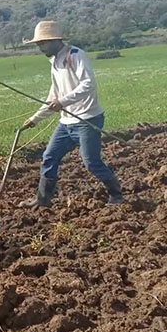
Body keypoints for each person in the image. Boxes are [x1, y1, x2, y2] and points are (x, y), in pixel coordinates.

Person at [18, 21, 123, 208]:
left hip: (87, 119)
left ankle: (116, 195)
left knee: (91, 162)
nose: (39, 47)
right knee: (49, 157)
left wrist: (63, 102)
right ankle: (42, 201)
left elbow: (88, 84)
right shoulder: (55, 62)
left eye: (42, 43)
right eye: (38, 44)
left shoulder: (76, 55)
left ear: (54, 40)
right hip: (66, 122)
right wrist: (35, 119)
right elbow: (54, 97)